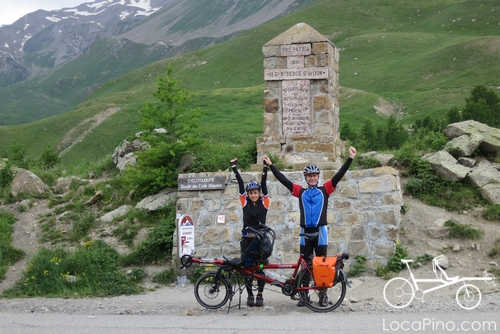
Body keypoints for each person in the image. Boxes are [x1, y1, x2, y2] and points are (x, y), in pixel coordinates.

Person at [262, 146, 357, 306]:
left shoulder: (325, 189)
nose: (312, 178)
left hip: (320, 232)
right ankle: (304, 295)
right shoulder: (301, 191)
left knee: (321, 266)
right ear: (305, 178)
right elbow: (284, 181)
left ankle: (322, 295)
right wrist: (271, 165)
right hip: (305, 232)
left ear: (318, 177)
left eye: (315, 176)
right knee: (305, 264)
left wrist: (350, 159)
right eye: (309, 176)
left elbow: (338, 176)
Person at [231, 157, 270, 307]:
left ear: (259, 194)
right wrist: (234, 168)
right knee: (247, 268)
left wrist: (265, 169)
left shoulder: (265, 203)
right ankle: (250, 295)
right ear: (247, 195)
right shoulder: (245, 203)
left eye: (256, 193)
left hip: (260, 242)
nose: (253, 195)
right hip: (247, 241)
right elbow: (241, 185)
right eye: (251, 193)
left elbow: (264, 185)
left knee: (260, 268)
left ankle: (260, 295)